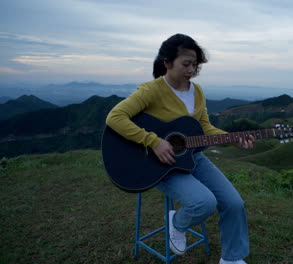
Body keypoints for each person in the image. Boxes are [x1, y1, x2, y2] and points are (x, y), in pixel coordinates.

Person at [105, 33, 254, 264]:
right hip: (159, 163)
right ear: (167, 63)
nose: (191, 70)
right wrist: (153, 141)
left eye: (195, 65)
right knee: (204, 203)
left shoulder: (197, 92)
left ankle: (231, 259)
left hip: (191, 158)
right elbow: (115, 117)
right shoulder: (151, 90)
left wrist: (232, 138)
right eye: (186, 64)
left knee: (234, 203)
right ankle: (177, 223)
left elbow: (204, 128)